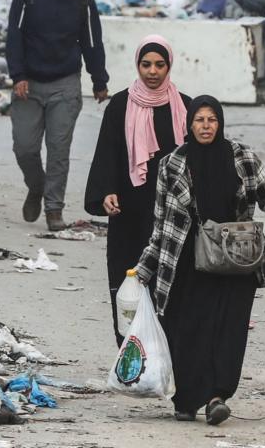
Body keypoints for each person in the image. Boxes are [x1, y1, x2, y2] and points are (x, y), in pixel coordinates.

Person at [135, 95, 265, 424]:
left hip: (237, 260)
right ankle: (187, 399)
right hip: (189, 263)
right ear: (189, 124)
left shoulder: (242, 157)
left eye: (212, 120)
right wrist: (144, 269)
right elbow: (160, 224)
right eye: (199, 120)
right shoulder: (171, 164)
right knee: (190, 331)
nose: (206, 126)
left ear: (220, 123)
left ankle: (217, 396)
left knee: (229, 332)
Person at [84, 35, 191, 347]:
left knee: (171, 280)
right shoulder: (120, 104)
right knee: (126, 278)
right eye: (146, 64)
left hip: (173, 212)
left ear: (169, 65)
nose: (152, 71)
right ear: (137, 65)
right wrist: (106, 192)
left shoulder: (184, 105)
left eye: (159, 64)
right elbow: (107, 153)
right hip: (129, 209)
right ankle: (130, 351)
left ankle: (167, 349)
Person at [6, 0, 108, 232]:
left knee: (58, 149)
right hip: (29, 83)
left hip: (65, 84)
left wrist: (99, 81)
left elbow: (92, 42)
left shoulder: (83, 1)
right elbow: (14, 36)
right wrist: (18, 75)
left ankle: (54, 209)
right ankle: (36, 187)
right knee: (24, 148)